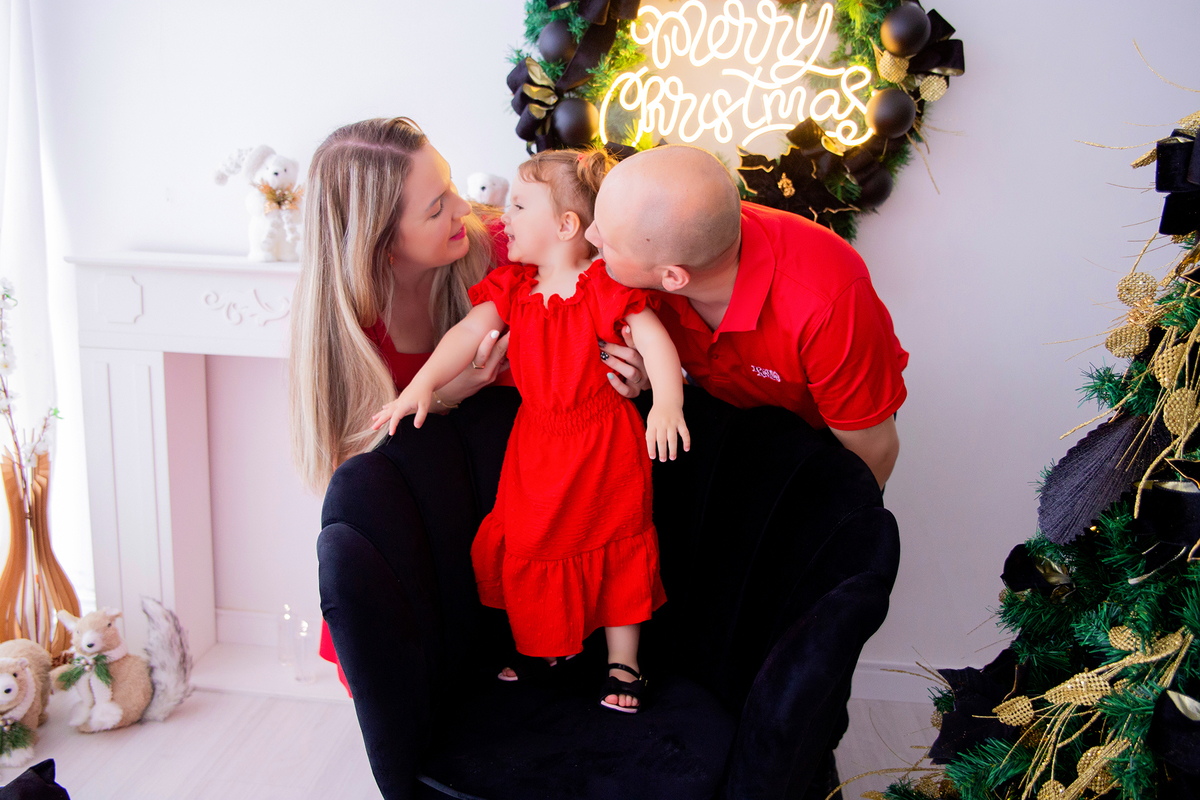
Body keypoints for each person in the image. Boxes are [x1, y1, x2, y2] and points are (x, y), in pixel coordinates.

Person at [371, 149, 689, 713]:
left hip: (602, 445)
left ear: (567, 226)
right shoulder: (515, 286)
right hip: (538, 445)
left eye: (518, 205)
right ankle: (547, 644)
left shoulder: (601, 286)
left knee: (616, 540)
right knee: (530, 539)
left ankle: (624, 662)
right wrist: (421, 385)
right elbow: (468, 334)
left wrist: (666, 402)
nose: (502, 219)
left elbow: (654, 338)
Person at [289, 117, 517, 693]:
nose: (465, 207)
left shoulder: (497, 249)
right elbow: (352, 473)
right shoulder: (343, 330)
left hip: (508, 525)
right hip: (423, 544)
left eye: (449, 186)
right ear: (380, 242)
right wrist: (441, 397)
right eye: (437, 206)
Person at [585, 144, 906, 489]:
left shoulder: (827, 303)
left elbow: (875, 457)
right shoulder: (662, 243)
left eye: (608, 243)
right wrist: (650, 379)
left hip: (820, 442)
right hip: (720, 422)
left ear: (673, 278)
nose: (589, 237)